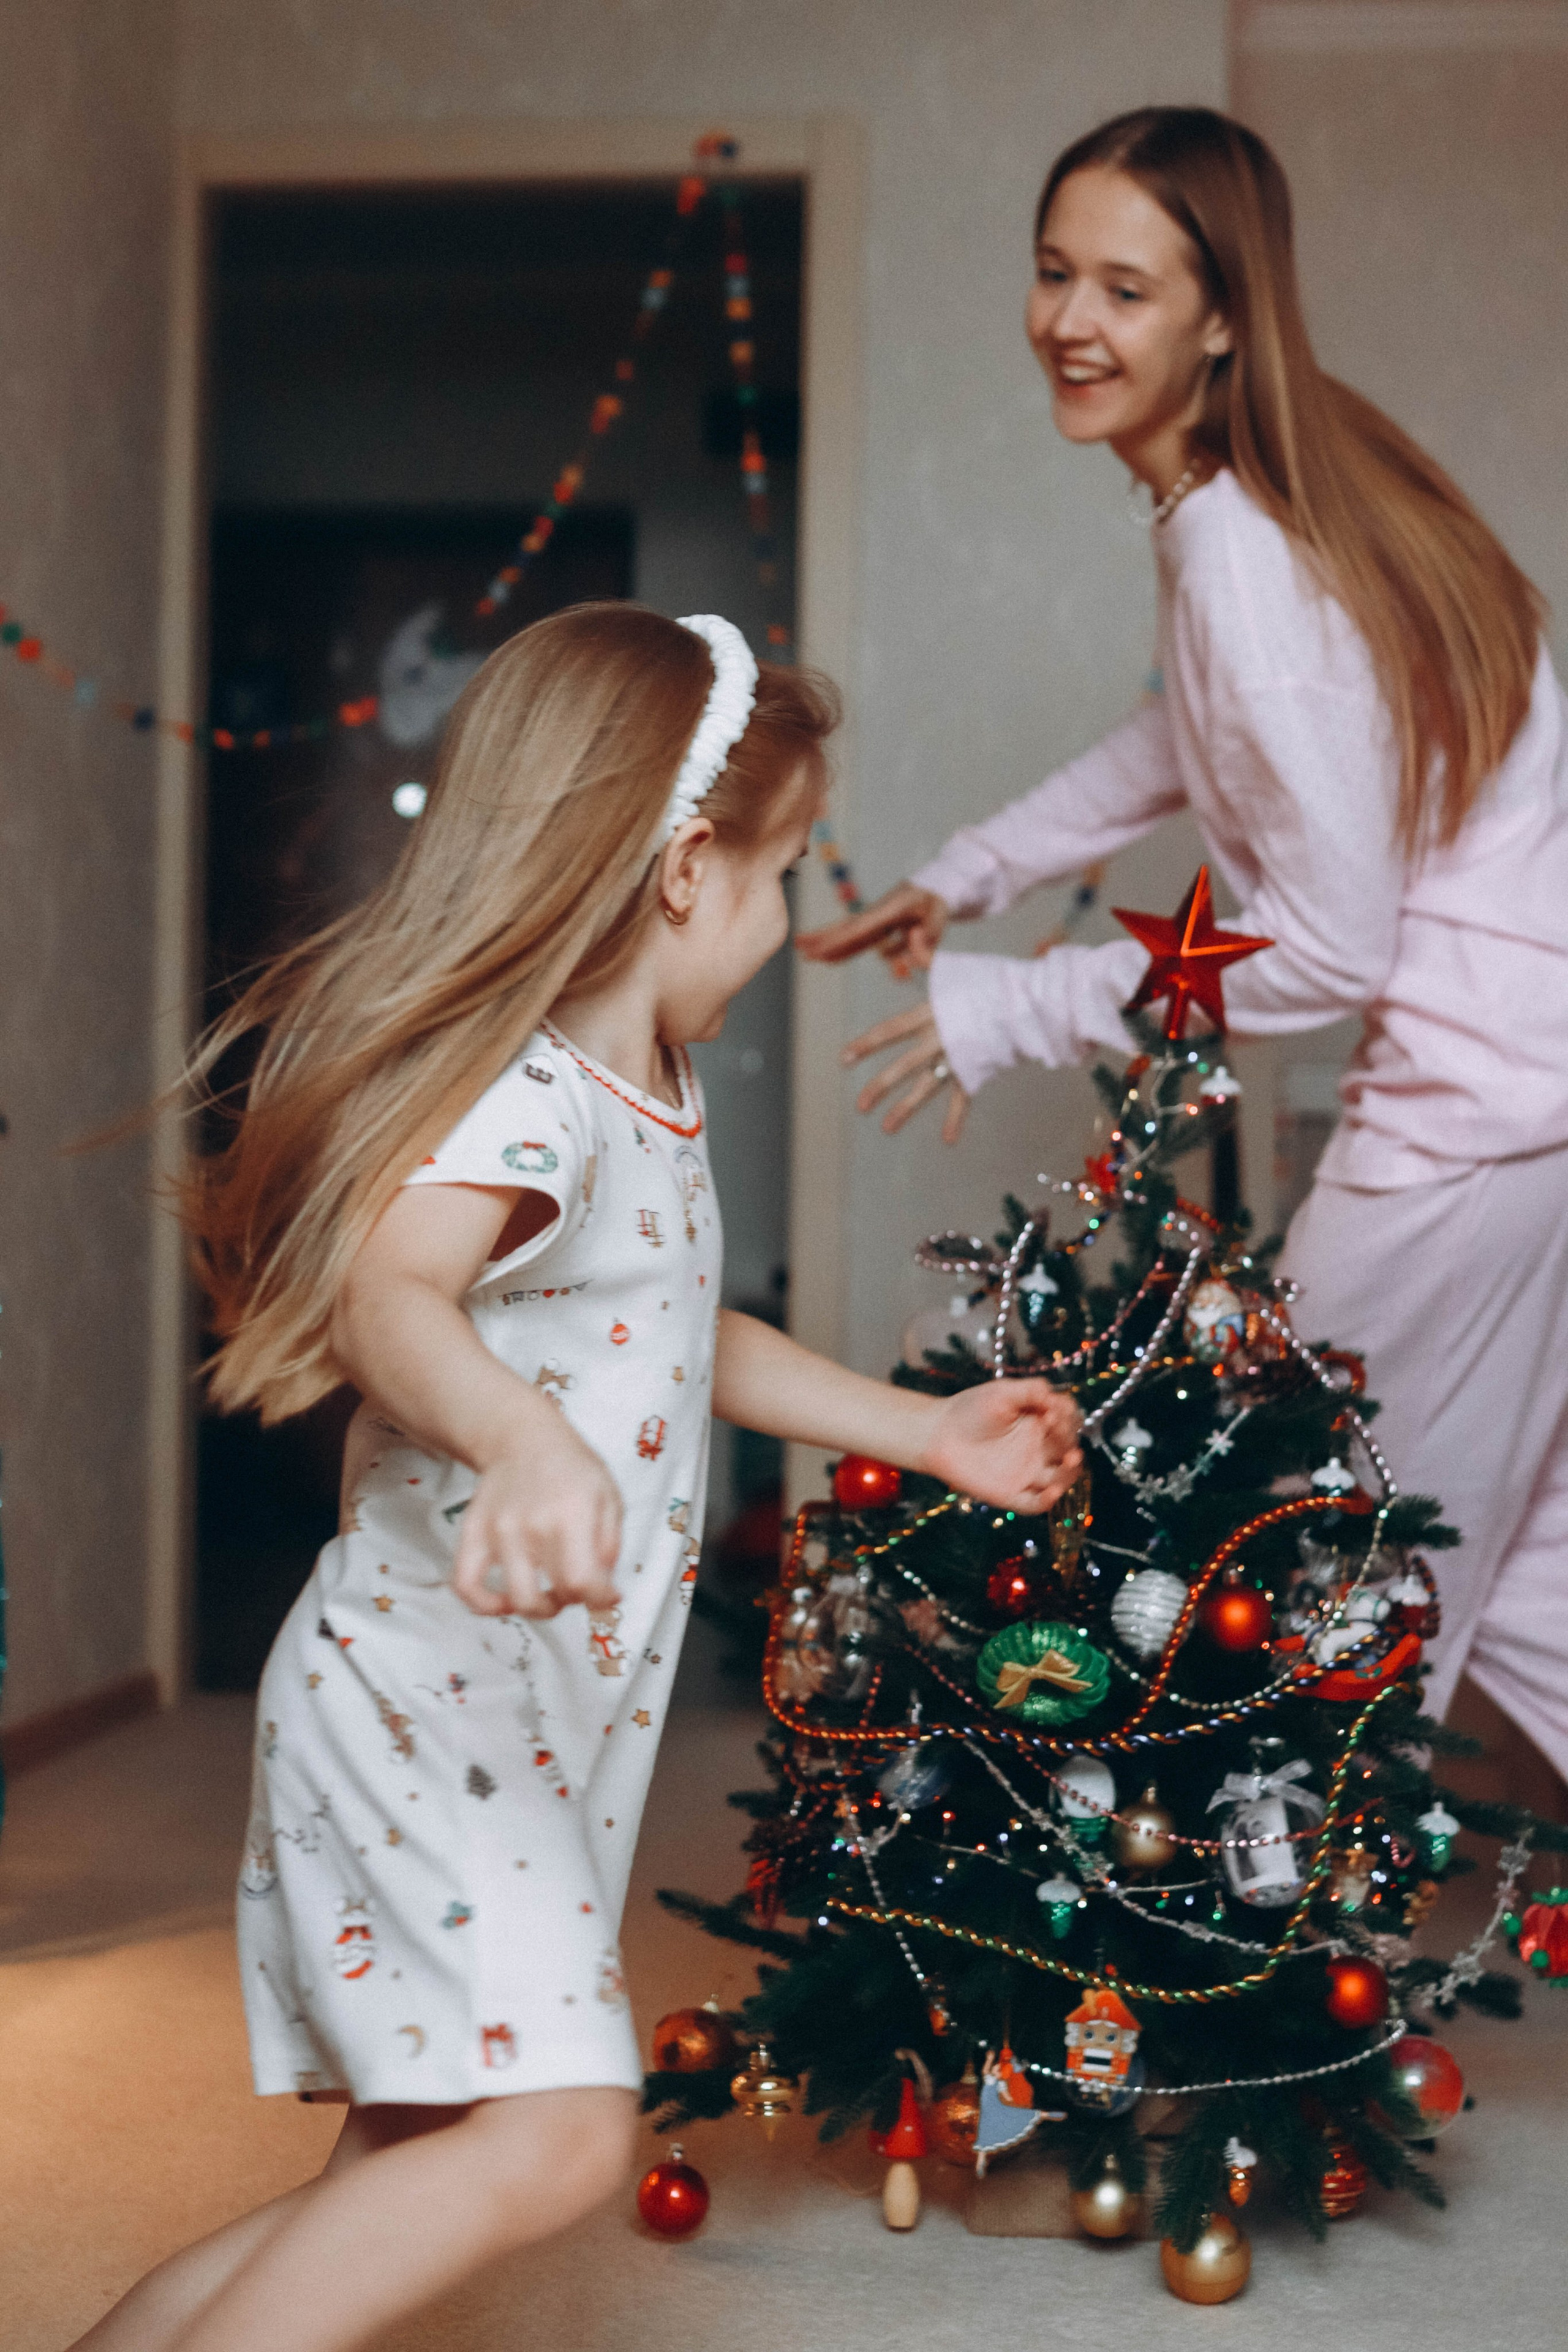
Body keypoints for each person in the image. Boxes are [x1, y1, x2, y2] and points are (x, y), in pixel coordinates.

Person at [74, 604, 1080, 2352]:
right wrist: (521, 1436)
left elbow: (681, 1339)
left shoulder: (647, 1090)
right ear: (689, 870)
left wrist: (920, 1432)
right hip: (427, 1695)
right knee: (556, 2141)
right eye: (779, 880)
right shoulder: (530, 1098)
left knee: (400, 2169)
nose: (778, 923)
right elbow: (392, 1292)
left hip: (536, 1713)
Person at [798, 107, 1568, 1834]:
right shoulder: (1247, 504)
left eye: (1124, 288)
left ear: (1222, 317)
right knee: (1510, 1560)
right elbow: (1185, 741)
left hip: (1480, 1109)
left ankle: (1267, 1974)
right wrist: (964, 876)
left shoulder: (1240, 547)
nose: (1071, 319)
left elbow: (1330, 942)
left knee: (1297, 1535)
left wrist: (1025, 998)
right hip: (1528, 1093)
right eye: (1054, 272)